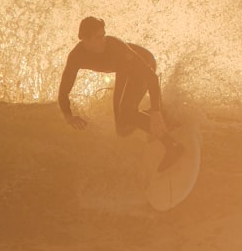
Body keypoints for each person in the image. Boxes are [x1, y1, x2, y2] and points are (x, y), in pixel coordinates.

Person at [58, 16, 183, 170]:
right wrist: (68, 115)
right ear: (85, 38)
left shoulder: (115, 46)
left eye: (104, 34)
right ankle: (162, 118)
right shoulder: (76, 57)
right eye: (98, 37)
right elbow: (63, 91)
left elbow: (151, 76)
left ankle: (172, 145)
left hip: (144, 65)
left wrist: (155, 109)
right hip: (124, 71)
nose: (104, 39)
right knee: (122, 129)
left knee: (127, 112)